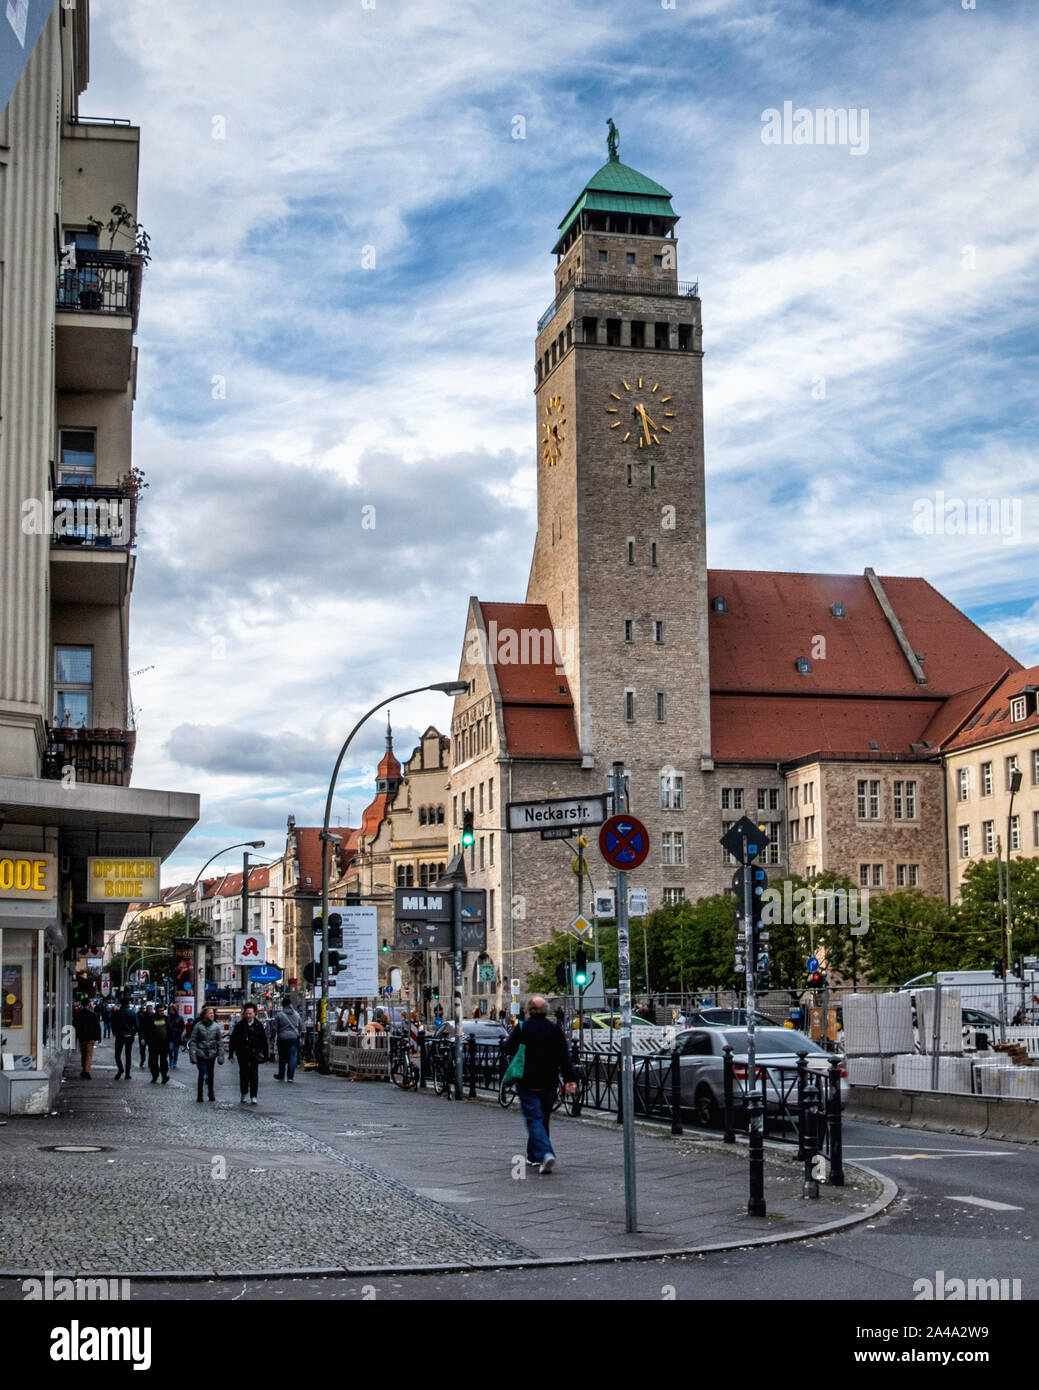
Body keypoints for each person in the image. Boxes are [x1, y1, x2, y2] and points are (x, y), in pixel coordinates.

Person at [501, 995, 576, 1174]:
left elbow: (507, 1048)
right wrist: (569, 1080)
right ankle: (533, 1156)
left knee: (534, 1119)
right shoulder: (554, 1029)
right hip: (549, 1081)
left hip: (528, 1081)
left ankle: (546, 1153)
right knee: (543, 1118)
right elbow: (564, 1057)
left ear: (528, 1010)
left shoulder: (523, 1028)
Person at [228, 1002, 269, 1104]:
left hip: (255, 1053)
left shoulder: (258, 1026)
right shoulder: (239, 1025)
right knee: (243, 1074)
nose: (248, 1015)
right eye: (246, 1013)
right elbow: (233, 1040)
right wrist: (231, 1054)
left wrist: (266, 1055)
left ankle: (254, 1095)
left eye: (250, 1013)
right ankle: (244, 1092)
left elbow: (264, 1041)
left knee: (254, 1075)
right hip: (242, 1053)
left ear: (254, 1014)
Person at [188, 1004, 225, 1102]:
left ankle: (211, 1093)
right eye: (210, 1013)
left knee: (211, 1074)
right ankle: (200, 1095)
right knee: (202, 1073)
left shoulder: (216, 1026)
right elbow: (193, 1041)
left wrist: (221, 1056)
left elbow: (220, 1042)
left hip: (212, 1054)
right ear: (204, 1015)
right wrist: (193, 1055)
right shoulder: (198, 1026)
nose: (212, 1015)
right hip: (201, 1053)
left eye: (213, 1013)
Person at [273, 995, 303, 1082]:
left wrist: (274, 1036)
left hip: (282, 1038)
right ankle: (290, 1076)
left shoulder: (279, 1015)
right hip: (294, 1038)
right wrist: (299, 1034)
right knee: (292, 1057)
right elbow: (301, 1026)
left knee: (282, 1057)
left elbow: (274, 1028)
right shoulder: (297, 1015)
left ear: (282, 1005)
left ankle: (281, 1075)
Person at [73, 1002, 101, 1078]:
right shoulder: (93, 1014)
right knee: (89, 1054)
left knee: (83, 1054)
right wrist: (99, 1037)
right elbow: (97, 1026)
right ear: (89, 1005)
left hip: (82, 1037)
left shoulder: (79, 1014)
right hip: (91, 1037)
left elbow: (75, 1025)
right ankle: (87, 1071)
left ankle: (84, 1070)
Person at [112, 996, 137, 1079]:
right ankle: (127, 1074)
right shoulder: (132, 1013)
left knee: (117, 1054)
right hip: (129, 1036)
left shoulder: (117, 1013)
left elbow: (113, 1024)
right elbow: (137, 1026)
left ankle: (120, 1069)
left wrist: (114, 1032)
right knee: (128, 1055)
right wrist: (132, 1034)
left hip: (120, 1035)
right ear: (128, 1003)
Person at [146, 1004, 170, 1084]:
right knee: (153, 1061)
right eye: (160, 1011)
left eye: (163, 1010)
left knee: (163, 1060)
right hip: (154, 1044)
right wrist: (147, 1040)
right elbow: (147, 1030)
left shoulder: (166, 1019)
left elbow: (170, 1030)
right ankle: (155, 1075)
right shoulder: (151, 1019)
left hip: (164, 1043)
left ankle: (164, 1076)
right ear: (156, 1011)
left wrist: (171, 1040)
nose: (162, 1012)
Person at [167, 1004, 186, 1069]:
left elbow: (182, 1026)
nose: (171, 1011)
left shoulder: (179, 1018)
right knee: (170, 1049)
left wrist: (178, 1031)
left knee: (176, 1050)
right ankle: (170, 1061)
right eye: (170, 1009)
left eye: (172, 1009)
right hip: (170, 1037)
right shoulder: (168, 1018)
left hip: (176, 1037)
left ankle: (174, 1062)